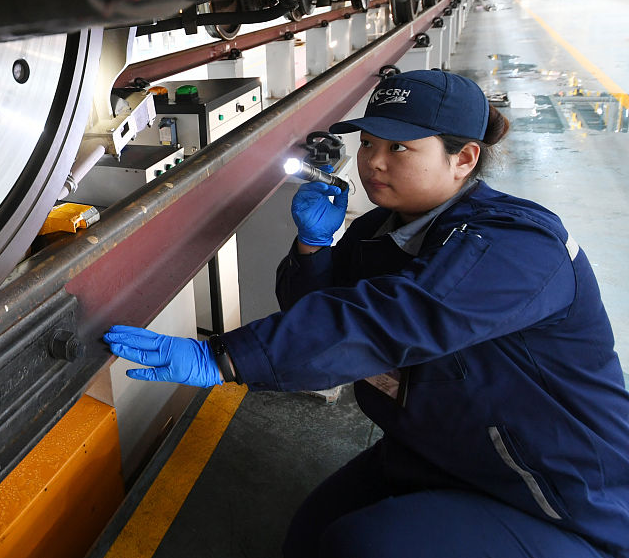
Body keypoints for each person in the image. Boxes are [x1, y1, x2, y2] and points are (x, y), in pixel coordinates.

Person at [105, 69, 629, 557]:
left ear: (464, 159)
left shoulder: (518, 245)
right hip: (439, 446)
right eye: (369, 143)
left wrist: (224, 358)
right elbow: (318, 319)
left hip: (553, 484)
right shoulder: (377, 231)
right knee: (311, 535)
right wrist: (314, 246)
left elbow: (394, 318)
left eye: (400, 147)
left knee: (363, 546)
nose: (374, 162)